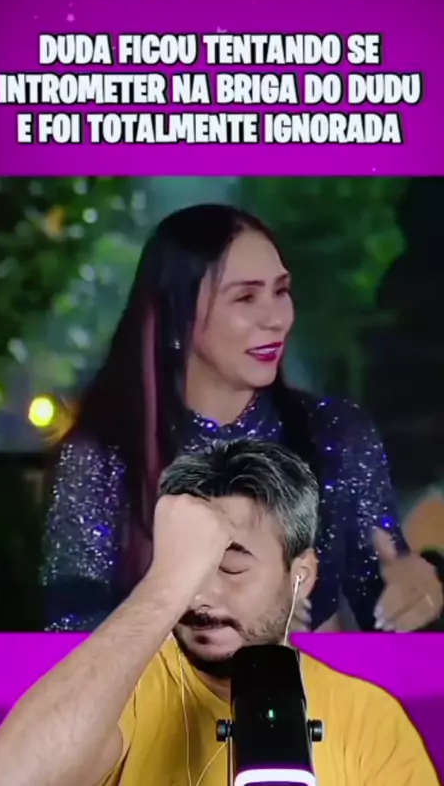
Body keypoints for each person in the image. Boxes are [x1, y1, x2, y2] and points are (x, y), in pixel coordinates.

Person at [41, 203, 443, 633]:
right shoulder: (103, 453)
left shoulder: (337, 435)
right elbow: (69, 628)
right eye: (246, 297)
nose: (277, 319)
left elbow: (382, 595)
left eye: (281, 292)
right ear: (178, 318)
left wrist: (421, 588)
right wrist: (199, 620)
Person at [0, 441, 439, 786]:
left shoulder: (369, 718)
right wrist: (164, 584)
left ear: (301, 574)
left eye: (232, 565)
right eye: (191, 566)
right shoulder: (122, 693)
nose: (201, 594)